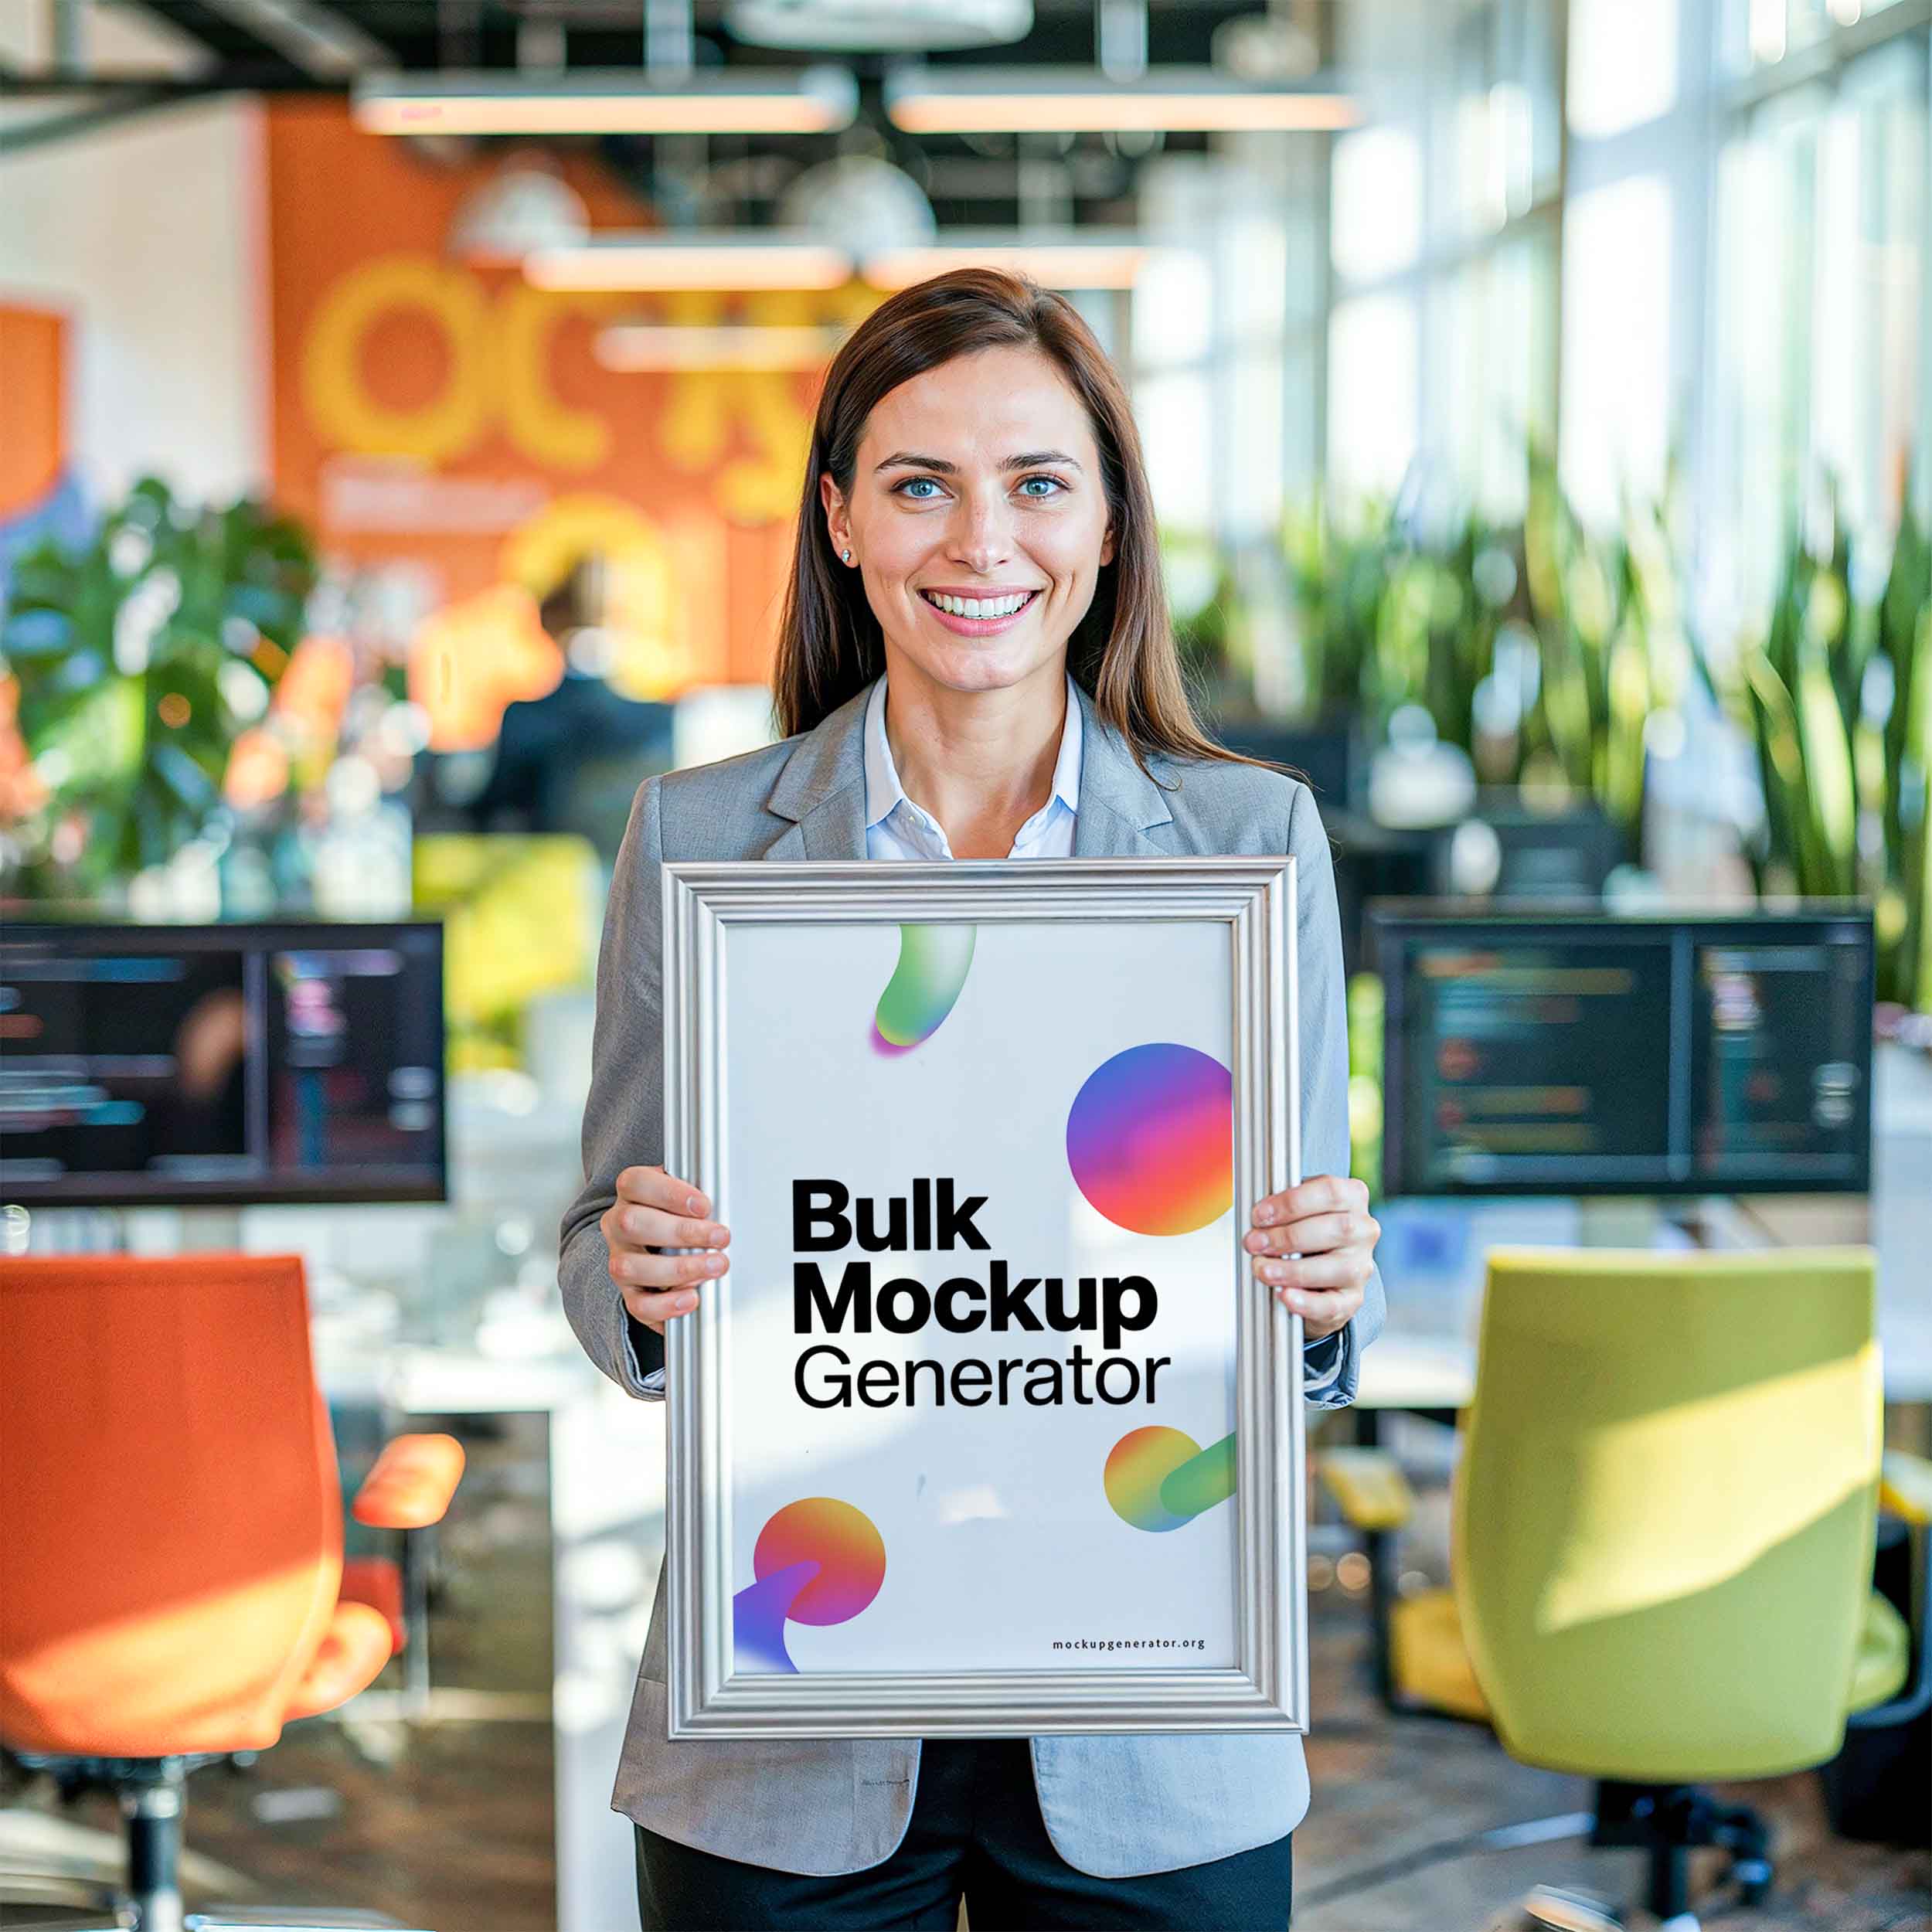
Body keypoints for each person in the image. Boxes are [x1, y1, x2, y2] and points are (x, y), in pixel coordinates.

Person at [558, 268, 1385, 1932]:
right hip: (791, 1716)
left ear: (1103, 527)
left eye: (1035, 483)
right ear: (842, 520)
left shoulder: (1247, 847)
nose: (977, 540)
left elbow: (1296, 1312)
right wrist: (634, 1276)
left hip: (1148, 1713)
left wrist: (1318, 1285)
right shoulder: (703, 840)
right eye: (919, 482)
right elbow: (597, 1248)